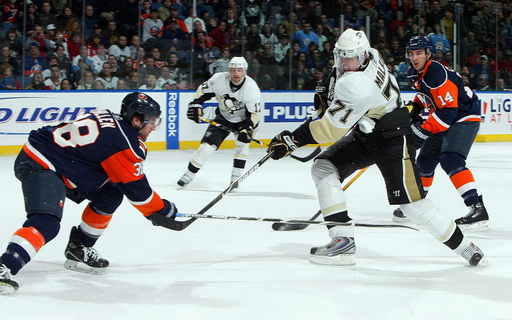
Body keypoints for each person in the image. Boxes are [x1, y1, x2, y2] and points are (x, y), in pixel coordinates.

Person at [266, 29, 487, 267]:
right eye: (341, 56)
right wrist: (329, 100)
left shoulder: (356, 84)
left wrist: (293, 140)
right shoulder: (371, 54)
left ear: (362, 57)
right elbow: (339, 90)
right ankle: (342, 241)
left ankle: (466, 248)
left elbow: (331, 129)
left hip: (392, 137)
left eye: (350, 58)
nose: (344, 63)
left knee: (412, 206)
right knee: (323, 167)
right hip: (369, 128)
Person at [0, 92, 179, 295]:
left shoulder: (112, 119)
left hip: (63, 163)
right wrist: (162, 210)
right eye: (152, 121)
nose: (154, 127)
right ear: (137, 120)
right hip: (41, 162)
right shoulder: (122, 141)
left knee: (110, 194)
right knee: (46, 222)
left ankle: (79, 247)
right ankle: (5, 265)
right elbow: (136, 190)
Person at [391, 36, 489, 231]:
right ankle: (417, 204)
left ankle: (477, 209)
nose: (414, 57)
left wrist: (422, 131)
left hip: (463, 117)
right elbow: (425, 95)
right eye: (411, 53)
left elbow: (448, 111)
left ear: (428, 54)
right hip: (445, 116)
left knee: (451, 159)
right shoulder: (416, 72)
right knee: (425, 161)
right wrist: (414, 109)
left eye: (419, 53)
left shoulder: (436, 72)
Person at [177, 57, 261, 188]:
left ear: (245, 72)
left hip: (245, 120)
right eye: (233, 70)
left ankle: (235, 177)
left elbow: (254, 114)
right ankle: (188, 175)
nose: (236, 74)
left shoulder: (251, 88)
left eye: (239, 70)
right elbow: (202, 91)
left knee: (242, 145)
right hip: (224, 117)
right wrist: (195, 104)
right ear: (228, 71)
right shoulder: (218, 79)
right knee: (206, 147)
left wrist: (248, 128)